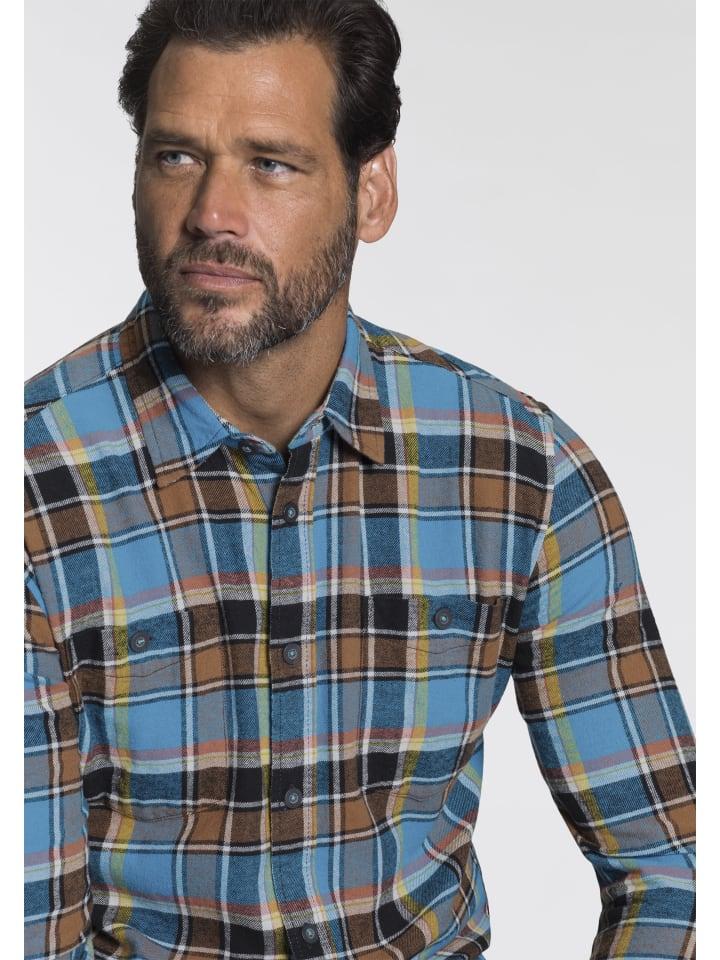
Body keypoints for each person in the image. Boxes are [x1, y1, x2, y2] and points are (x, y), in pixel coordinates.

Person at [24, 1, 696, 958]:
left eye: (271, 164)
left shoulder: (520, 469)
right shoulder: (35, 481)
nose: (212, 214)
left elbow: (670, 866)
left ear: (371, 192)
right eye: (176, 156)